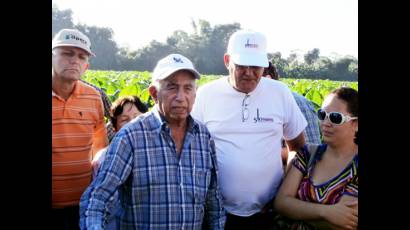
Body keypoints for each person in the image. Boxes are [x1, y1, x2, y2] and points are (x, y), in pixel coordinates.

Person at [80, 53, 226, 229]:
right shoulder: (131, 137)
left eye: (188, 88)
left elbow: (213, 202)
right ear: (154, 93)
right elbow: (97, 199)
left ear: (195, 94)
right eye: (172, 87)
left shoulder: (203, 137)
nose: (180, 97)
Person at [191, 30, 307, 229]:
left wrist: (285, 193)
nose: (249, 72)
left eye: (256, 66)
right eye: (242, 65)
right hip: (217, 213)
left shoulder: (279, 93)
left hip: (269, 213)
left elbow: (298, 147)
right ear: (227, 61)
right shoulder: (205, 95)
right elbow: (190, 150)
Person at [273, 87, 358, 230]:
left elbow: (344, 224)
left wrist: (296, 209)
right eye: (322, 114)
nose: (325, 122)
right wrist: (326, 212)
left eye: (335, 117)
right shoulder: (308, 153)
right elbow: (281, 203)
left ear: (356, 124)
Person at [52, 28, 108, 229]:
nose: (74, 60)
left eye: (81, 56)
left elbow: (99, 147)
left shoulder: (93, 97)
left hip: (83, 206)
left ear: (86, 66)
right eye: (67, 53)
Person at [90, 95, 149, 230]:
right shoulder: (103, 159)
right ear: (115, 128)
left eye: (137, 117)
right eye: (124, 120)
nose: (132, 124)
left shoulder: (157, 154)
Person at [262, 61, 321, 167]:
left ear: (267, 79)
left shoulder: (292, 103)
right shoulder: (267, 102)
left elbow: (308, 151)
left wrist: (257, 154)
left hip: (298, 177)